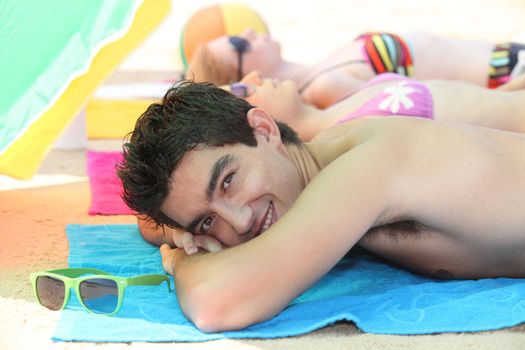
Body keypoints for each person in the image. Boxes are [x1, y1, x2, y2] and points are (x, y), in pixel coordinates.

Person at [117, 81, 525, 333]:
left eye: (228, 181)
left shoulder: (369, 166)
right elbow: (150, 225)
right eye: (209, 220)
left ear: (264, 130)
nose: (240, 222)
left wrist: (181, 263)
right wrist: (184, 231)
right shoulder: (321, 158)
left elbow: (217, 302)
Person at [186, 29, 525, 108]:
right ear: (240, 80)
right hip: (509, 80)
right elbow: (428, 105)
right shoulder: (325, 88)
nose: (247, 33)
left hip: (509, 63)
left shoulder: (321, 69)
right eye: (239, 46)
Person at [226, 70, 525, 140]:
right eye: (243, 89)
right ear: (259, 128)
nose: (253, 76)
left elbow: (475, 98)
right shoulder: (347, 138)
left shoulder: (335, 105)